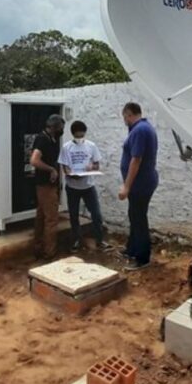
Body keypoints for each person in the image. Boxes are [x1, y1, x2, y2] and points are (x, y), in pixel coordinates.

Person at [118, 102, 158, 271]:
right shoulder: (142, 128)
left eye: (124, 117)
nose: (124, 121)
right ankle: (132, 249)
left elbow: (136, 159)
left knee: (139, 218)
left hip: (140, 184)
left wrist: (126, 187)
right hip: (141, 182)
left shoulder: (140, 130)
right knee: (134, 215)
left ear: (129, 114)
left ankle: (142, 258)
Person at [59, 120, 110, 252]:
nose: (80, 138)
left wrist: (91, 166)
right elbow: (64, 167)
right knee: (74, 215)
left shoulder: (91, 146)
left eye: (82, 135)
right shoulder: (66, 147)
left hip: (88, 186)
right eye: (77, 136)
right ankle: (76, 240)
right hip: (72, 187)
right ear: (73, 134)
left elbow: (97, 164)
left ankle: (99, 240)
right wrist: (70, 174)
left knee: (96, 214)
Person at [30, 114, 65, 259]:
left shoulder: (51, 139)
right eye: (60, 128)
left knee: (41, 216)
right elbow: (34, 160)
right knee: (51, 219)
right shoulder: (43, 139)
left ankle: (38, 248)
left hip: (47, 185)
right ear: (53, 128)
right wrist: (51, 169)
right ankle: (50, 253)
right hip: (45, 185)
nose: (62, 131)